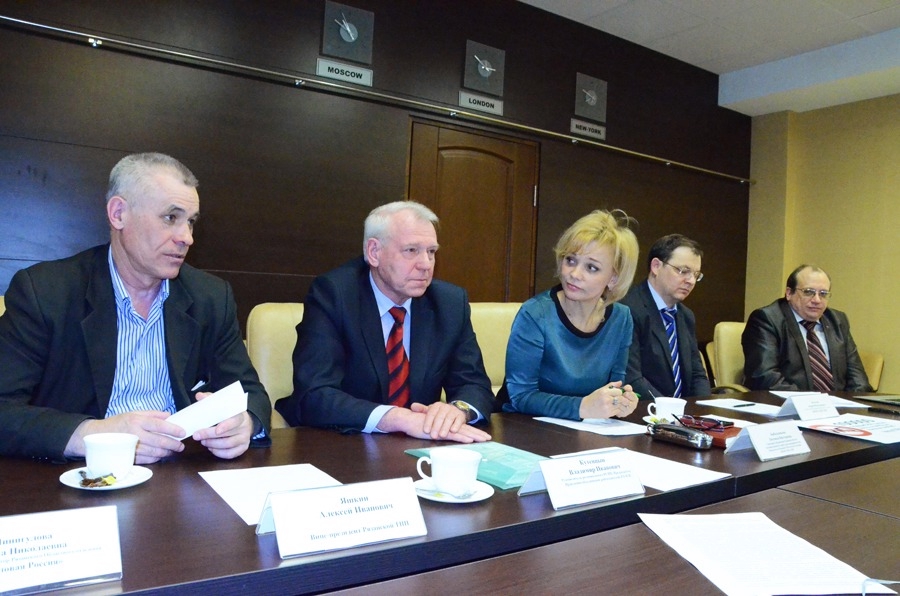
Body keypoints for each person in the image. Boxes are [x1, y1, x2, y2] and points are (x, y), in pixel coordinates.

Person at [0, 153, 271, 463]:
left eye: (191, 222)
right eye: (171, 218)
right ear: (118, 214)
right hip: (83, 472)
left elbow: (250, 393)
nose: (186, 238)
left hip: (181, 471)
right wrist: (95, 434)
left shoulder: (210, 297)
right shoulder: (45, 292)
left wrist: (245, 423)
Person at [276, 201, 494, 443]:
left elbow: (475, 384)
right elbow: (314, 394)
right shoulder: (335, 295)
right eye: (411, 250)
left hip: (422, 445)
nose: (425, 264)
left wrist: (457, 410)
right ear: (374, 252)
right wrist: (396, 418)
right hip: (344, 443)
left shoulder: (449, 303)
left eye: (431, 252)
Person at [502, 210, 640, 420]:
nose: (574, 274)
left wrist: (620, 402)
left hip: (587, 428)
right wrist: (581, 407)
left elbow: (616, 386)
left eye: (591, 267)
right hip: (524, 426)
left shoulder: (621, 319)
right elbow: (520, 396)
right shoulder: (535, 313)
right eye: (570, 260)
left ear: (613, 278)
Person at [742, 264, 871, 392]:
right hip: (786, 403)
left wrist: (853, 402)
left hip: (837, 403)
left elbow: (858, 378)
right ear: (789, 293)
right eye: (808, 292)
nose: (817, 300)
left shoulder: (837, 320)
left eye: (823, 294)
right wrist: (811, 402)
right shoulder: (767, 319)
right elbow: (764, 377)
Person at [620, 234, 710, 399]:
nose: (691, 281)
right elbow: (632, 378)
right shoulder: (627, 310)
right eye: (683, 271)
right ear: (656, 266)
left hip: (682, 411)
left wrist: (702, 408)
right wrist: (668, 409)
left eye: (696, 275)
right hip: (645, 409)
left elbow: (697, 375)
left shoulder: (686, 316)